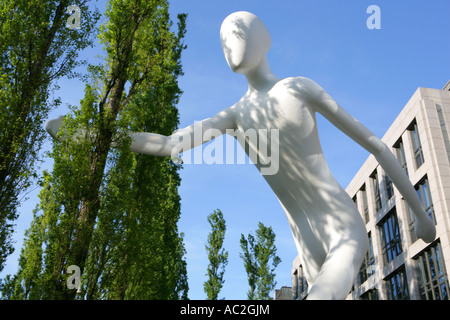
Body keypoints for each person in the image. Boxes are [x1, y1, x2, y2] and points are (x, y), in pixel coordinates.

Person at [46, 11, 435, 299]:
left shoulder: (298, 87)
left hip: (343, 227)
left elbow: (376, 145)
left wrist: (421, 215)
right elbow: (168, 144)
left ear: (262, 38)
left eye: (237, 32)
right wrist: (89, 133)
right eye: (222, 42)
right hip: (305, 244)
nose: (229, 44)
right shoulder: (233, 116)